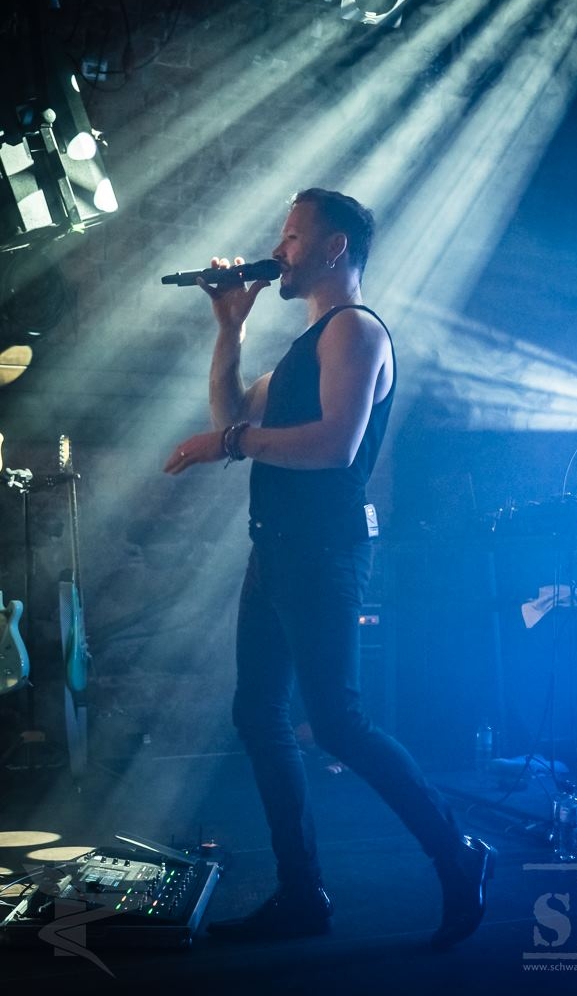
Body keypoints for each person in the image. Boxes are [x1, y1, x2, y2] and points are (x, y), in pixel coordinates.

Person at [163, 188, 495, 949]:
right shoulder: (306, 345)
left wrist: (231, 445)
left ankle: (458, 850)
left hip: (322, 550)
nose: (277, 251)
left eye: (290, 236)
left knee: (338, 722)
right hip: (277, 548)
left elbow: (334, 446)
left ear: (333, 247)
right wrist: (229, 328)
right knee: (258, 714)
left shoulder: (355, 330)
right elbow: (230, 418)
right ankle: (301, 891)